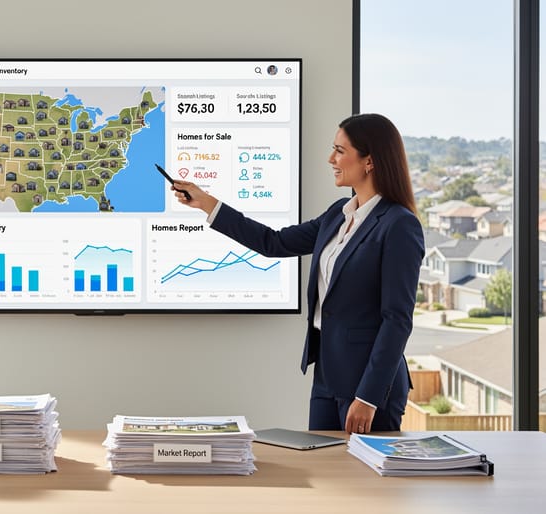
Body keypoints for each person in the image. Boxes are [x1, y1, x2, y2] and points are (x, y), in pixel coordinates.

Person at [172, 113, 423, 433]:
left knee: (362, 480)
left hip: (368, 385)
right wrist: (207, 204)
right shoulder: (338, 214)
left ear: (369, 161)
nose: (331, 158)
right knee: (322, 472)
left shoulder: (398, 225)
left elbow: (397, 319)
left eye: (340, 151)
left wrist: (369, 397)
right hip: (327, 375)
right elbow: (273, 243)